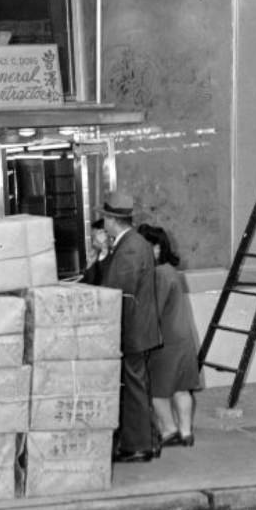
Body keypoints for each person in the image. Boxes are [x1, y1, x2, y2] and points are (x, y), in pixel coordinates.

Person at [99, 191, 162, 463]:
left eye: (105, 219)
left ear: (113, 220)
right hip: (138, 328)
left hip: (133, 329)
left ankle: (138, 446)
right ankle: (147, 440)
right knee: (137, 386)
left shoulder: (130, 248)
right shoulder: (132, 243)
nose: (103, 224)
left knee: (134, 388)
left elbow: (118, 292)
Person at [138, 224, 201, 448]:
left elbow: (152, 310)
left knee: (157, 391)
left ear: (156, 248)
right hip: (182, 339)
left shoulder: (158, 275)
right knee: (181, 388)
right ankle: (186, 433)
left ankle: (169, 429)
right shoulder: (170, 271)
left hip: (166, 341)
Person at [81, 218, 111, 286]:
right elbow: (89, 281)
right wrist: (90, 264)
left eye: (95, 236)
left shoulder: (116, 253)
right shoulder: (97, 255)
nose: (93, 242)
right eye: (92, 237)